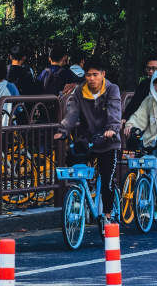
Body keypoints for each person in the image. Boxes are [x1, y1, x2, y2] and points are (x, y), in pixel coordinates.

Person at [55, 57, 122, 219]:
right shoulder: (79, 91)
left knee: (107, 180)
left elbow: (115, 110)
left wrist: (112, 129)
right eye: (88, 75)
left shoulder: (112, 89)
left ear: (103, 74)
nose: (91, 78)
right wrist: (63, 130)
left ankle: (108, 214)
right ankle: (78, 200)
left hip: (108, 141)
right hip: (88, 139)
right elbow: (72, 113)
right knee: (73, 165)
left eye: (95, 74)